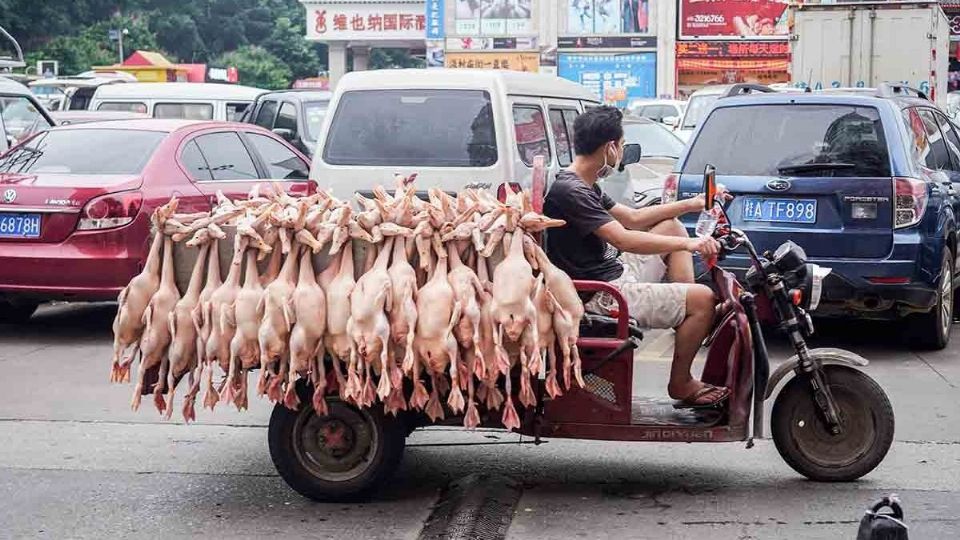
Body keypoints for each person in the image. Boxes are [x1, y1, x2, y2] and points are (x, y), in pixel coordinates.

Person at [543, 106, 728, 407]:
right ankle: (681, 381)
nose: (622, 150)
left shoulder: (582, 183)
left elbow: (633, 217)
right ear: (610, 147)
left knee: (672, 228)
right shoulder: (571, 191)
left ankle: (684, 311)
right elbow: (623, 238)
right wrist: (691, 245)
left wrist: (692, 204)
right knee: (704, 299)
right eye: (622, 143)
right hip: (601, 296)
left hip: (613, 274)